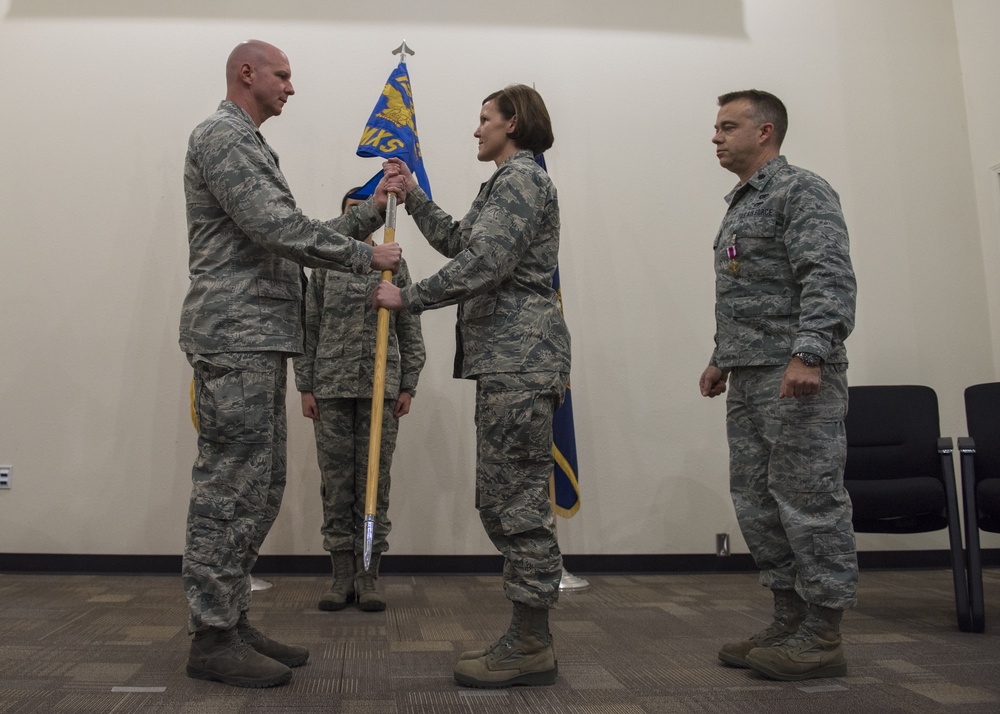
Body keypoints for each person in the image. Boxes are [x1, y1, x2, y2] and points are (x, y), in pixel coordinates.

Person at [179, 39, 405, 689]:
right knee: (230, 490)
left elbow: (291, 226)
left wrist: (371, 212)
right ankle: (211, 635)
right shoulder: (223, 137)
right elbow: (278, 227)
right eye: (283, 75)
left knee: (261, 484)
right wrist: (366, 254)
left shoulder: (249, 142)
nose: (290, 87)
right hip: (235, 335)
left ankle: (230, 617)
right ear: (245, 73)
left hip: (258, 338)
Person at [373, 85, 570, 689]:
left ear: (514, 122)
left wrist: (408, 297)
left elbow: (483, 264)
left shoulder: (522, 181)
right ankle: (529, 636)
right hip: (507, 362)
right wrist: (413, 198)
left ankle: (532, 643)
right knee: (502, 498)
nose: (476, 130)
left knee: (516, 503)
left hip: (521, 361)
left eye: (485, 119)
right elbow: (463, 242)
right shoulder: (504, 183)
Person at [699, 89, 858, 681]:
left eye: (727, 126)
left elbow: (828, 275)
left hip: (797, 378)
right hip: (751, 375)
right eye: (716, 126)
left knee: (809, 500)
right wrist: (722, 357)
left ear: (764, 132)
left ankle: (823, 631)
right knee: (760, 503)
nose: (715, 136)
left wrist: (809, 352)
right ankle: (788, 617)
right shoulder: (741, 203)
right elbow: (753, 290)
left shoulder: (801, 190)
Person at [294, 188, 425, 614]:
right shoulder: (326, 268)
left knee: (373, 484)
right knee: (336, 486)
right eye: (353, 214)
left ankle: (368, 575)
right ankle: (340, 577)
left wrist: (408, 384)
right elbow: (309, 327)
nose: (362, 221)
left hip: (379, 389)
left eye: (368, 213)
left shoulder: (392, 268)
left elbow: (410, 329)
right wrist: (305, 385)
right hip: (330, 390)